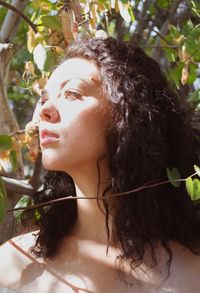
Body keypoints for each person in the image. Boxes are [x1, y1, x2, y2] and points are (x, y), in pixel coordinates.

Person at [0, 37, 200, 293]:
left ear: (128, 115)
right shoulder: (13, 266)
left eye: (71, 94)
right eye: (44, 98)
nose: (44, 111)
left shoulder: (192, 273)